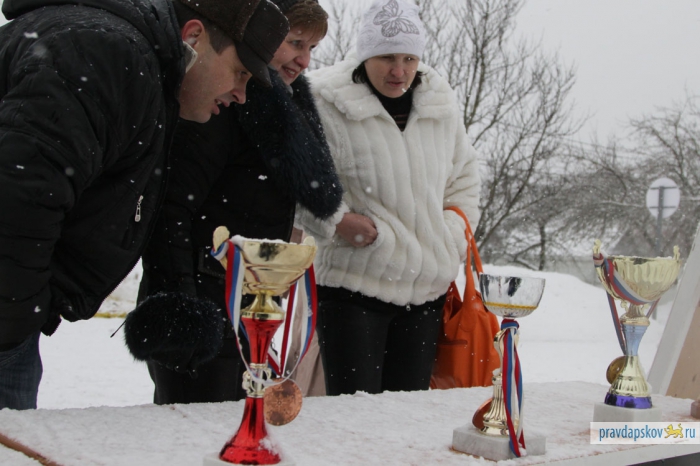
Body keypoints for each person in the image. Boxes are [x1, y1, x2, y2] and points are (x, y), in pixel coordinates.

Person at [0, 0, 289, 410]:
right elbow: (22, 192)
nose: (242, 95)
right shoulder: (110, 55)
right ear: (194, 36)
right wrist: (13, 324)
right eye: (240, 72)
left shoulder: (137, 64)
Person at [134, 0, 341, 404]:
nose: (303, 60)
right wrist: (181, 303)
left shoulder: (282, 107)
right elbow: (171, 206)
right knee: (195, 428)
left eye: (312, 48)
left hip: (246, 305)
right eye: (295, 42)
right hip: (205, 302)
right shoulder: (218, 102)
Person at [296, 0, 481, 396]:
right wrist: (337, 221)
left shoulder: (439, 102)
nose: (399, 71)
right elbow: (296, 180)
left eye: (409, 58)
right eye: (387, 58)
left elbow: (464, 178)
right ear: (365, 55)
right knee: (356, 417)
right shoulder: (323, 99)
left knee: (407, 418)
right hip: (352, 289)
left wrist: (448, 237)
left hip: (426, 292)